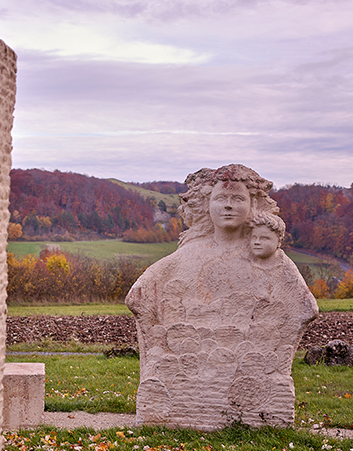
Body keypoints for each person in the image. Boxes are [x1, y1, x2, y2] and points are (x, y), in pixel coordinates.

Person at [125, 165, 317, 429]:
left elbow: (306, 308)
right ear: (206, 204)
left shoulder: (271, 258)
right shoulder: (186, 257)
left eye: (238, 199)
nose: (228, 206)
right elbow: (138, 297)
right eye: (220, 199)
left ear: (253, 205)